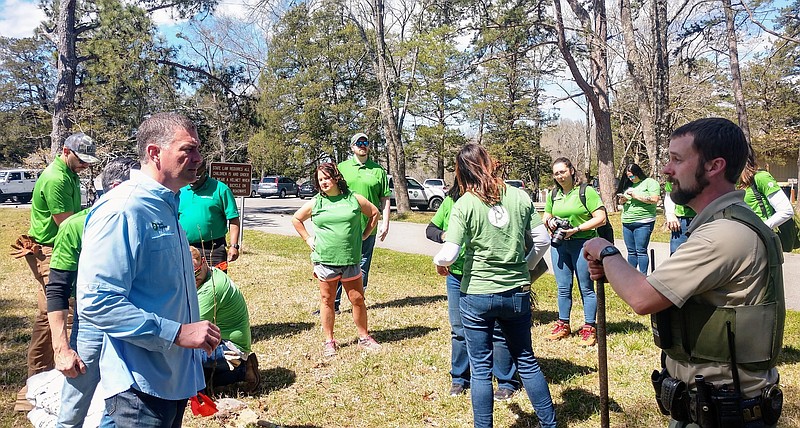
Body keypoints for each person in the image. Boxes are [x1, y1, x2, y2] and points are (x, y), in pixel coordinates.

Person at [583, 118, 785, 427]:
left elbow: (642, 297)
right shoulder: (726, 224)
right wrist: (612, 270)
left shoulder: (724, 234)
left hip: (726, 414)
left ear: (714, 166)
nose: (666, 169)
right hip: (710, 408)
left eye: (677, 159)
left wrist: (605, 250)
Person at [77, 113, 222, 428]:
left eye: (198, 149)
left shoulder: (167, 205)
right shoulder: (123, 210)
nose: (199, 158)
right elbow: (98, 302)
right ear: (155, 153)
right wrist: (178, 333)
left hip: (173, 379)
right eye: (189, 149)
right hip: (139, 391)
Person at [433, 144, 556, 428]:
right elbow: (542, 241)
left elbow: (449, 252)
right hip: (516, 293)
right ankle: (549, 423)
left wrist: (440, 262)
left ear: (461, 171)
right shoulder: (519, 197)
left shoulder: (464, 203)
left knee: (480, 369)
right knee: (526, 359)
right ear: (489, 163)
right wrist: (524, 267)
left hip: (477, 293)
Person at [45, 157, 139, 428]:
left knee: (122, 403)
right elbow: (58, 288)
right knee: (74, 408)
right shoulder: (76, 226)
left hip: (134, 321)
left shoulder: (140, 222)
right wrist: (61, 348)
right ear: (117, 187)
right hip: (92, 325)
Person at [10, 132, 98, 411]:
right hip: (49, 250)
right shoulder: (56, 178)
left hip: (53, 246)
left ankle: (36, 382)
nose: (84, 166)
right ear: (65, 151)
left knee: (45, 315)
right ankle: (64, 381)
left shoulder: (70, 174)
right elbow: (67, 225)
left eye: (87, 162)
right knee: (65, 311)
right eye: (81, 160)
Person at [426, 187, 521, 400]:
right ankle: (460, 378)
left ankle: (505, 381)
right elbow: (431, 229)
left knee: (497, 329)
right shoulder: (451, 201)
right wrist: (444, 236)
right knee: (458, 329)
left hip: (484, 276)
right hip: (456, 275)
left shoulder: (492, 201)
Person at [292, 162, 382, 357]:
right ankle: (329, 341)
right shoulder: (317, 202)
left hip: (350, 259)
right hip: (325, 260)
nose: (324, 182)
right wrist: (308, 239)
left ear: (336, 177)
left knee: (357, 299)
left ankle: (364, 337)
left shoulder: (353, 199)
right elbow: (296, 219)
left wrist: (365, 235)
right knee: (327, 300)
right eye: (320, 179)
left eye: (327, 177)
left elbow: (375, 213)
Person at [541, 157, 606, 346]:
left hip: (583, 244)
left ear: (571, 170)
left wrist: (576, 229)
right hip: (560, 245)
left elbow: (601, 218)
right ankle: (563, 324)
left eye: (562, 172)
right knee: (563, 287)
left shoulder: (586, 192)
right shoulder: (554, 194)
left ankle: (589, 327)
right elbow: (547, 214)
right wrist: (549, 221)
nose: (560, 176)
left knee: (586, 287)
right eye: (556, 173)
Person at [333, 133, 390, 313]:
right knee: (339, 264)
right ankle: (333, 304)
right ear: (352, 147)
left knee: (362, 265)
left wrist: (385, 222)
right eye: (359, 143)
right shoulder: (341, 168)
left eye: (365, 142)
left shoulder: (378, 170)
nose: (363, 145)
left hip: (369, 227)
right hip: (345, 227)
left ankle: (358, 302)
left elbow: (385, 199)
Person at [189, 247, 260, 391]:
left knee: (182, 358)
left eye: (195, 272)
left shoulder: (210, 290)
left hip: (230, 348)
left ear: (203, 262)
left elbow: (191, 330)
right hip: (222, 340)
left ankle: (243, 369)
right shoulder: (212, 273)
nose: (193, 278)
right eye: (187, 274)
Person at [179, 160, 241, 271]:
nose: (193, 180)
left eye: (197, 176)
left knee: (215, 285)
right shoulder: (179, 190)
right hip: (185, 247)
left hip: (214, 249)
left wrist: (234, 246)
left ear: (205, 172)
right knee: (188, 285)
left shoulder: (220, 189)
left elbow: (233, 219)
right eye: (190, 175)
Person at [616, 163, 660, 273]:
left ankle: (643, 276)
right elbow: (622, 202)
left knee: (641, 250)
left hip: (643, 221)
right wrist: (623, 200)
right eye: (628, 177)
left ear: (638, 173)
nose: (630, 179)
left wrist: (636, 196)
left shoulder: (650, 183)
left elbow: (655, 200)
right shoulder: (629, 185)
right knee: (631, 251)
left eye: (632, 176)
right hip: (627, 221)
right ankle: (631, 275)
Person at [739, 154, 794, 231]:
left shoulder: (760, 177)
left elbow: (786, 211)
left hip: (759, 237)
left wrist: (760, 230)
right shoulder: (732, 181)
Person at [663, 181, 695, 254]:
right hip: (680, 221)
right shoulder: (674, 176)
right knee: (676, 254)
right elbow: (669, 195)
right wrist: (670, 214)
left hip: (702, 218)